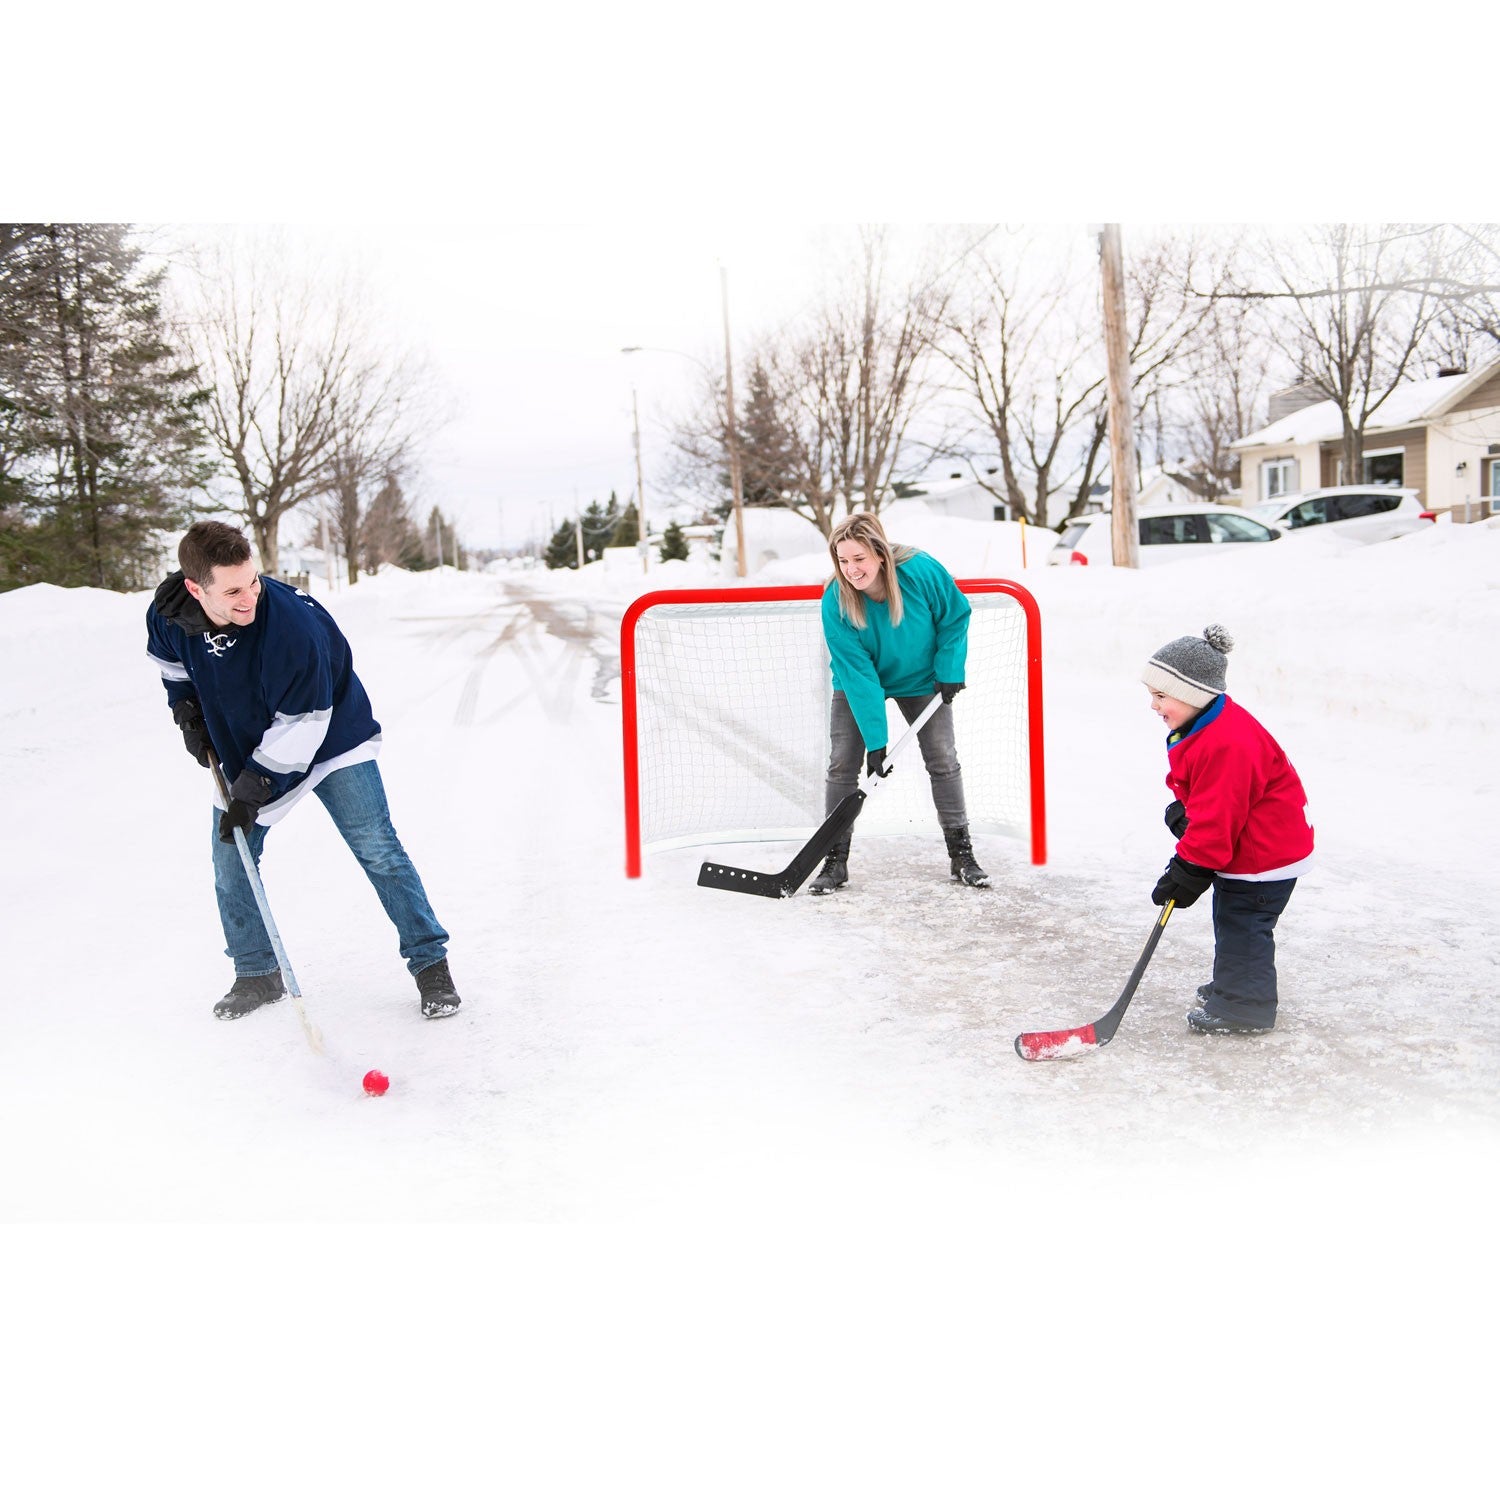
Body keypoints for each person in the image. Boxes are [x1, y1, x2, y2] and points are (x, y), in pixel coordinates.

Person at [146, 520, 462, 1021]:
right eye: (232, 590)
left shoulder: (292, 626)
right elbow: (173, 668)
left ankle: (430, 964)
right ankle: (257, 972)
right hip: (246, 740)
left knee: (378, 848)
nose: (250, 596)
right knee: (232, 858)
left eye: (253, 581)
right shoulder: (168, 614)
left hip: (330, 735)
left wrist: (252, 791)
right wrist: (186, 711)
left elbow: (304, 726)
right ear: (194, 588)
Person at [1143, 624, 1313, 1035]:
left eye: (1162, 695)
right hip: (1252, 845)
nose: (1153, 706)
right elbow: (1209, 792)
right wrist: (1184, 809)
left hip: (1261, 854)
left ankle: (1244, 1007)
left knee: (1243, 925)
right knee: (1233, 919)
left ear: (1192, 693)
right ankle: (1235, 985)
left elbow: (1219, 820)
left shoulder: (1227, 741)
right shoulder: (1206, 724)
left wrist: (1187, 869)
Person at [810, 511, 988, 895]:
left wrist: (949, 667)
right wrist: (877, 742)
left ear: (880, 554)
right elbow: (858, 675)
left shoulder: (920, 570)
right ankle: (834, 861)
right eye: (843, 560)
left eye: (859, 559)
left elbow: (955, 616)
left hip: (922, 677)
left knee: (942, 758)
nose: (851, 569)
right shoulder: (835, 599)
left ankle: (962, 855)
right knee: (843, 764)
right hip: (859, 681)